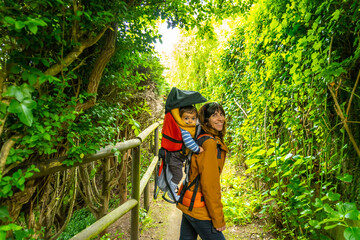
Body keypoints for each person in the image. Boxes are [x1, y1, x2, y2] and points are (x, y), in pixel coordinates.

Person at [177, 102, 228, 240]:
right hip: (199, 207)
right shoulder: (210, 144)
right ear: (206, 120)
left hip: (189, 203)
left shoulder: (199, 138)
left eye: (221, 114)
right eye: (214, 115)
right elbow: (210, 185)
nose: (220, 118)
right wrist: (218, 218)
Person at [168, 105, 204, 201]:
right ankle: (171, 192)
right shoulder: (184, 130)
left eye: (193, 118)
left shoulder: (189, 127)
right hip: (175, 157)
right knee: (178, 175)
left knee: (176, 174)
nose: (190, 121)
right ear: (180, 119)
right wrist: (197, 149)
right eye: (186, 118)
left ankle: (172, 187)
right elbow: (188, 143)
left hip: (178, 157)